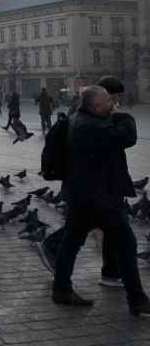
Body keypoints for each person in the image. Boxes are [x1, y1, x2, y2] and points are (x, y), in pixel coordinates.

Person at [50, 85, 150, 316]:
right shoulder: (93, 126)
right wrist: (120, 114)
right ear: (96, 106)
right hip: (100, 197)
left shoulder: (77, 119)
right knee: (126, 244)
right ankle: (137, 300)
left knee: (71, 241)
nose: (113, 103)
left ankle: (61, 289)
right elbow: (127, 136)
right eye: (108, 100)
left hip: (79, 194)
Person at [38, 77, 127, 288]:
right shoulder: (88, 114)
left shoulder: (91, 111)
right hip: (91, 184)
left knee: (92, 226)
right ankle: (110, 275)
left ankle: (110, 273)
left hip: (95, 182)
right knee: (87, 228)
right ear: (103, 95)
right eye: (114, 95)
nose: (116, 100)